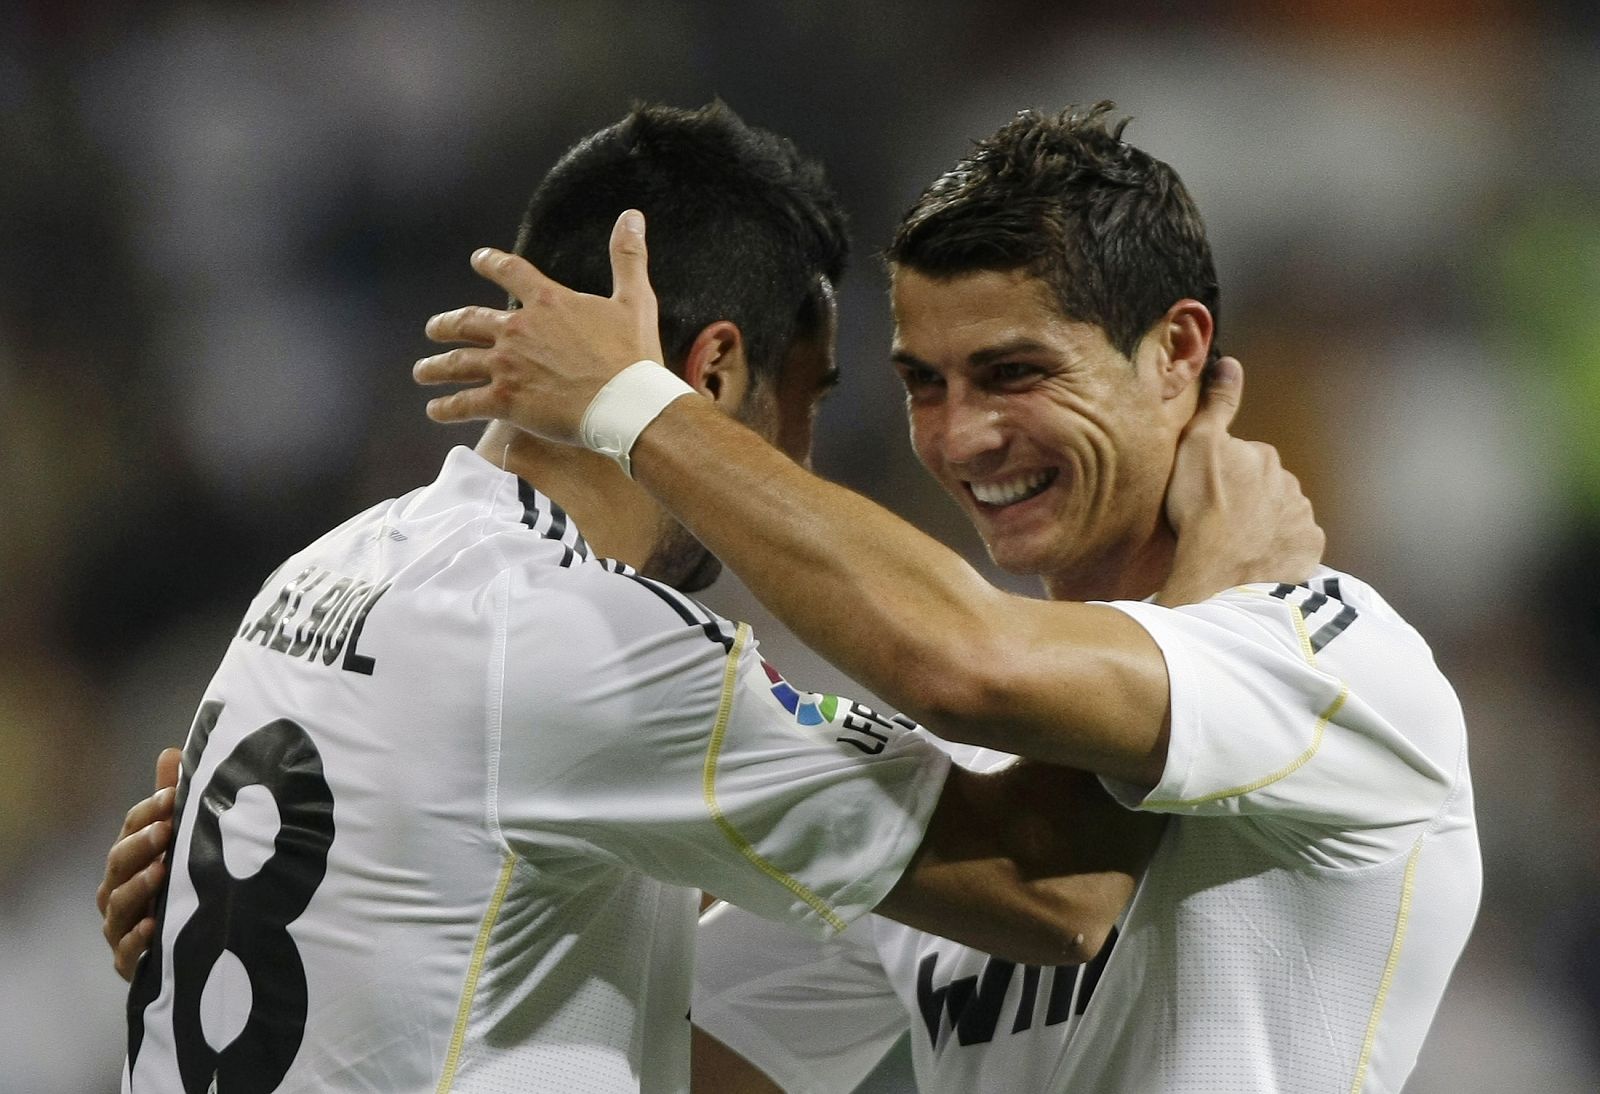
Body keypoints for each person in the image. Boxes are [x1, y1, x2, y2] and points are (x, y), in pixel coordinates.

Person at [96, 102, 1319, 1094]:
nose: (800, 460)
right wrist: (1209, 591)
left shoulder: (323, 572)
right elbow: (1052, 890)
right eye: (811, 398)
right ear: (713, 371)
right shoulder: (588, 641)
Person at [407, 103, 1481, 1093]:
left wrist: (635, 403)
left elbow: (972, 667)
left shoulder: (1330, 661)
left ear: (1177, 351)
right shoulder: (975, 781)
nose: (962, 437)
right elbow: (676, 1059)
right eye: (926, 382)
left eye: (1015, 373)